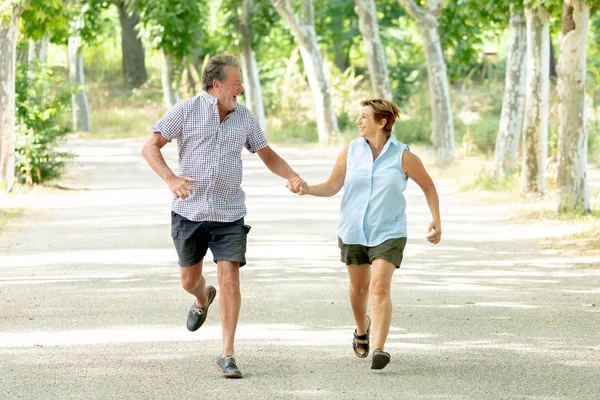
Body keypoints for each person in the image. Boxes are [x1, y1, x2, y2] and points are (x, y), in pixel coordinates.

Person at [142, 54, 308, 379]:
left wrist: (292, 175)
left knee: (230, 276)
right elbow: (150, 147)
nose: (241, 89)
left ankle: (227, 354)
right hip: (188, 212)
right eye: (236, 84)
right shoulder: (186, 110)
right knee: (189, 281)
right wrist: (172, 179)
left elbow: (267, 154)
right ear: (217, 86)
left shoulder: (244, 117)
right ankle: (203, 298)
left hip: (229, 212)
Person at [290, 99, 442, 370]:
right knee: (359, 289)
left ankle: (380, 348)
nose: (358, 122)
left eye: (364, 117)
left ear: (382, 123)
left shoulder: (403, 156)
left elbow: (429, 187)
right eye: (359, 117)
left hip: (389, 231)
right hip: (353, 230)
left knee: (379, 286)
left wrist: (436, 220)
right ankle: (363, 327)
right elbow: (333, 185)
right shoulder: (351, 150)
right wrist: (307, 189)